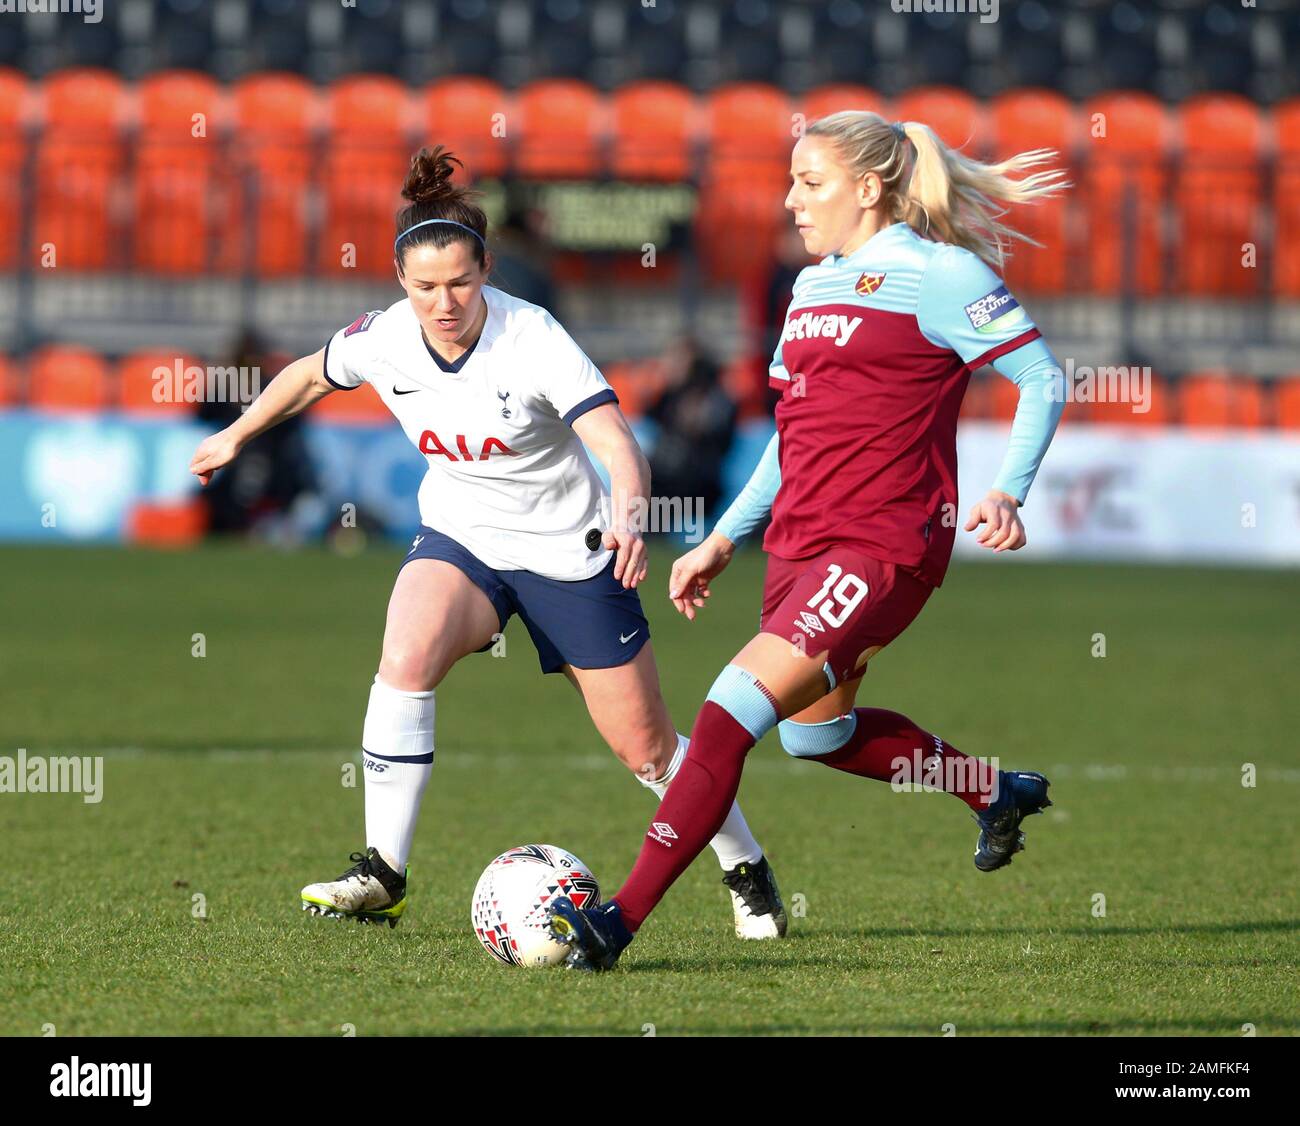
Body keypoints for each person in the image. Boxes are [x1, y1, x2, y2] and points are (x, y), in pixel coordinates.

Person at [188, 146, 786, 939]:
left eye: (460, 283)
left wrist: (630, 515)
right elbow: (308, 373)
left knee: (647, 751)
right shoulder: (386, 336)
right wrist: (237, 431)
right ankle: (383, 871)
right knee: (404, 655)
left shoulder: (531, 336)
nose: (444, 302)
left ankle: (744, 865)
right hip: (463, 538)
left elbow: (614, 440)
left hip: (569, 554)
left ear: (486, 271)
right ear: (402, 280)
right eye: (425, 286)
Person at [547, 112, 1070, 970]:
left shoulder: (940, 275)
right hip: (799, 547)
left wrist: (1009, 490)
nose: (791, 200)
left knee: (722, 720)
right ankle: (992, 791)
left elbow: (1041, 375)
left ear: (868, 189)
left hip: (882, 547)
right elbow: (792, 441)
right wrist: (723, 538)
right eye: (790, 181)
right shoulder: (811, 288)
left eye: (810, 182)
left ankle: (616, 923)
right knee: (816, 737)